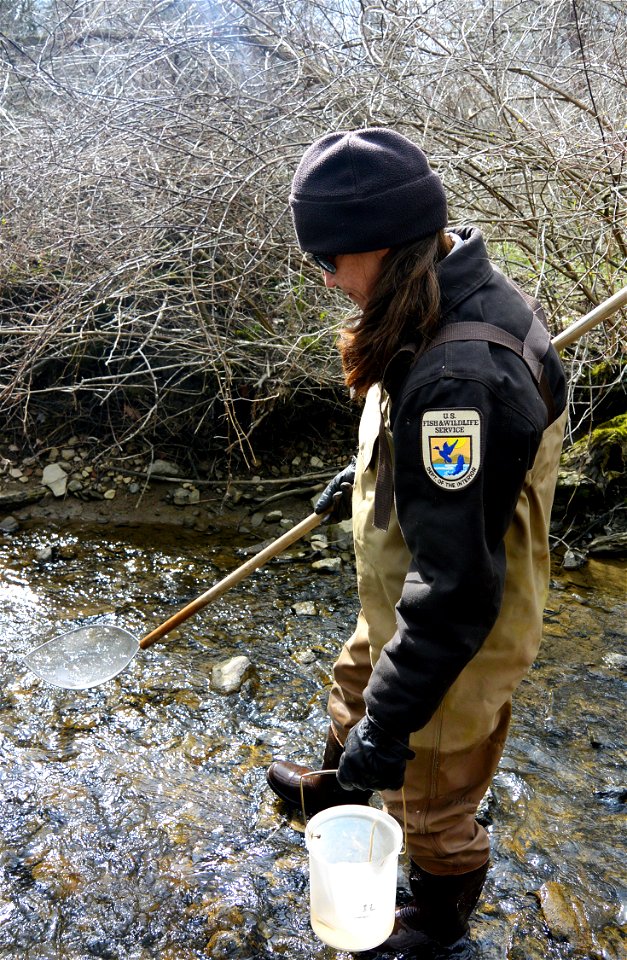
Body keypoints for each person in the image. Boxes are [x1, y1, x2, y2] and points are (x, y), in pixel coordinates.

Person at [266, 128, 567, 957]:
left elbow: (459, 591)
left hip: (457, 626)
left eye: (329, 259)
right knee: (356, 680)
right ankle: (339, 790)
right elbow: (434, 457)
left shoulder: (460, 378)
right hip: (410, 585)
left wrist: (390, 738)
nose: (324, 279)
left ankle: (439, 911)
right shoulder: (435, 294)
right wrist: (365, 479)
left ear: (381, 242)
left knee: (426, 789)